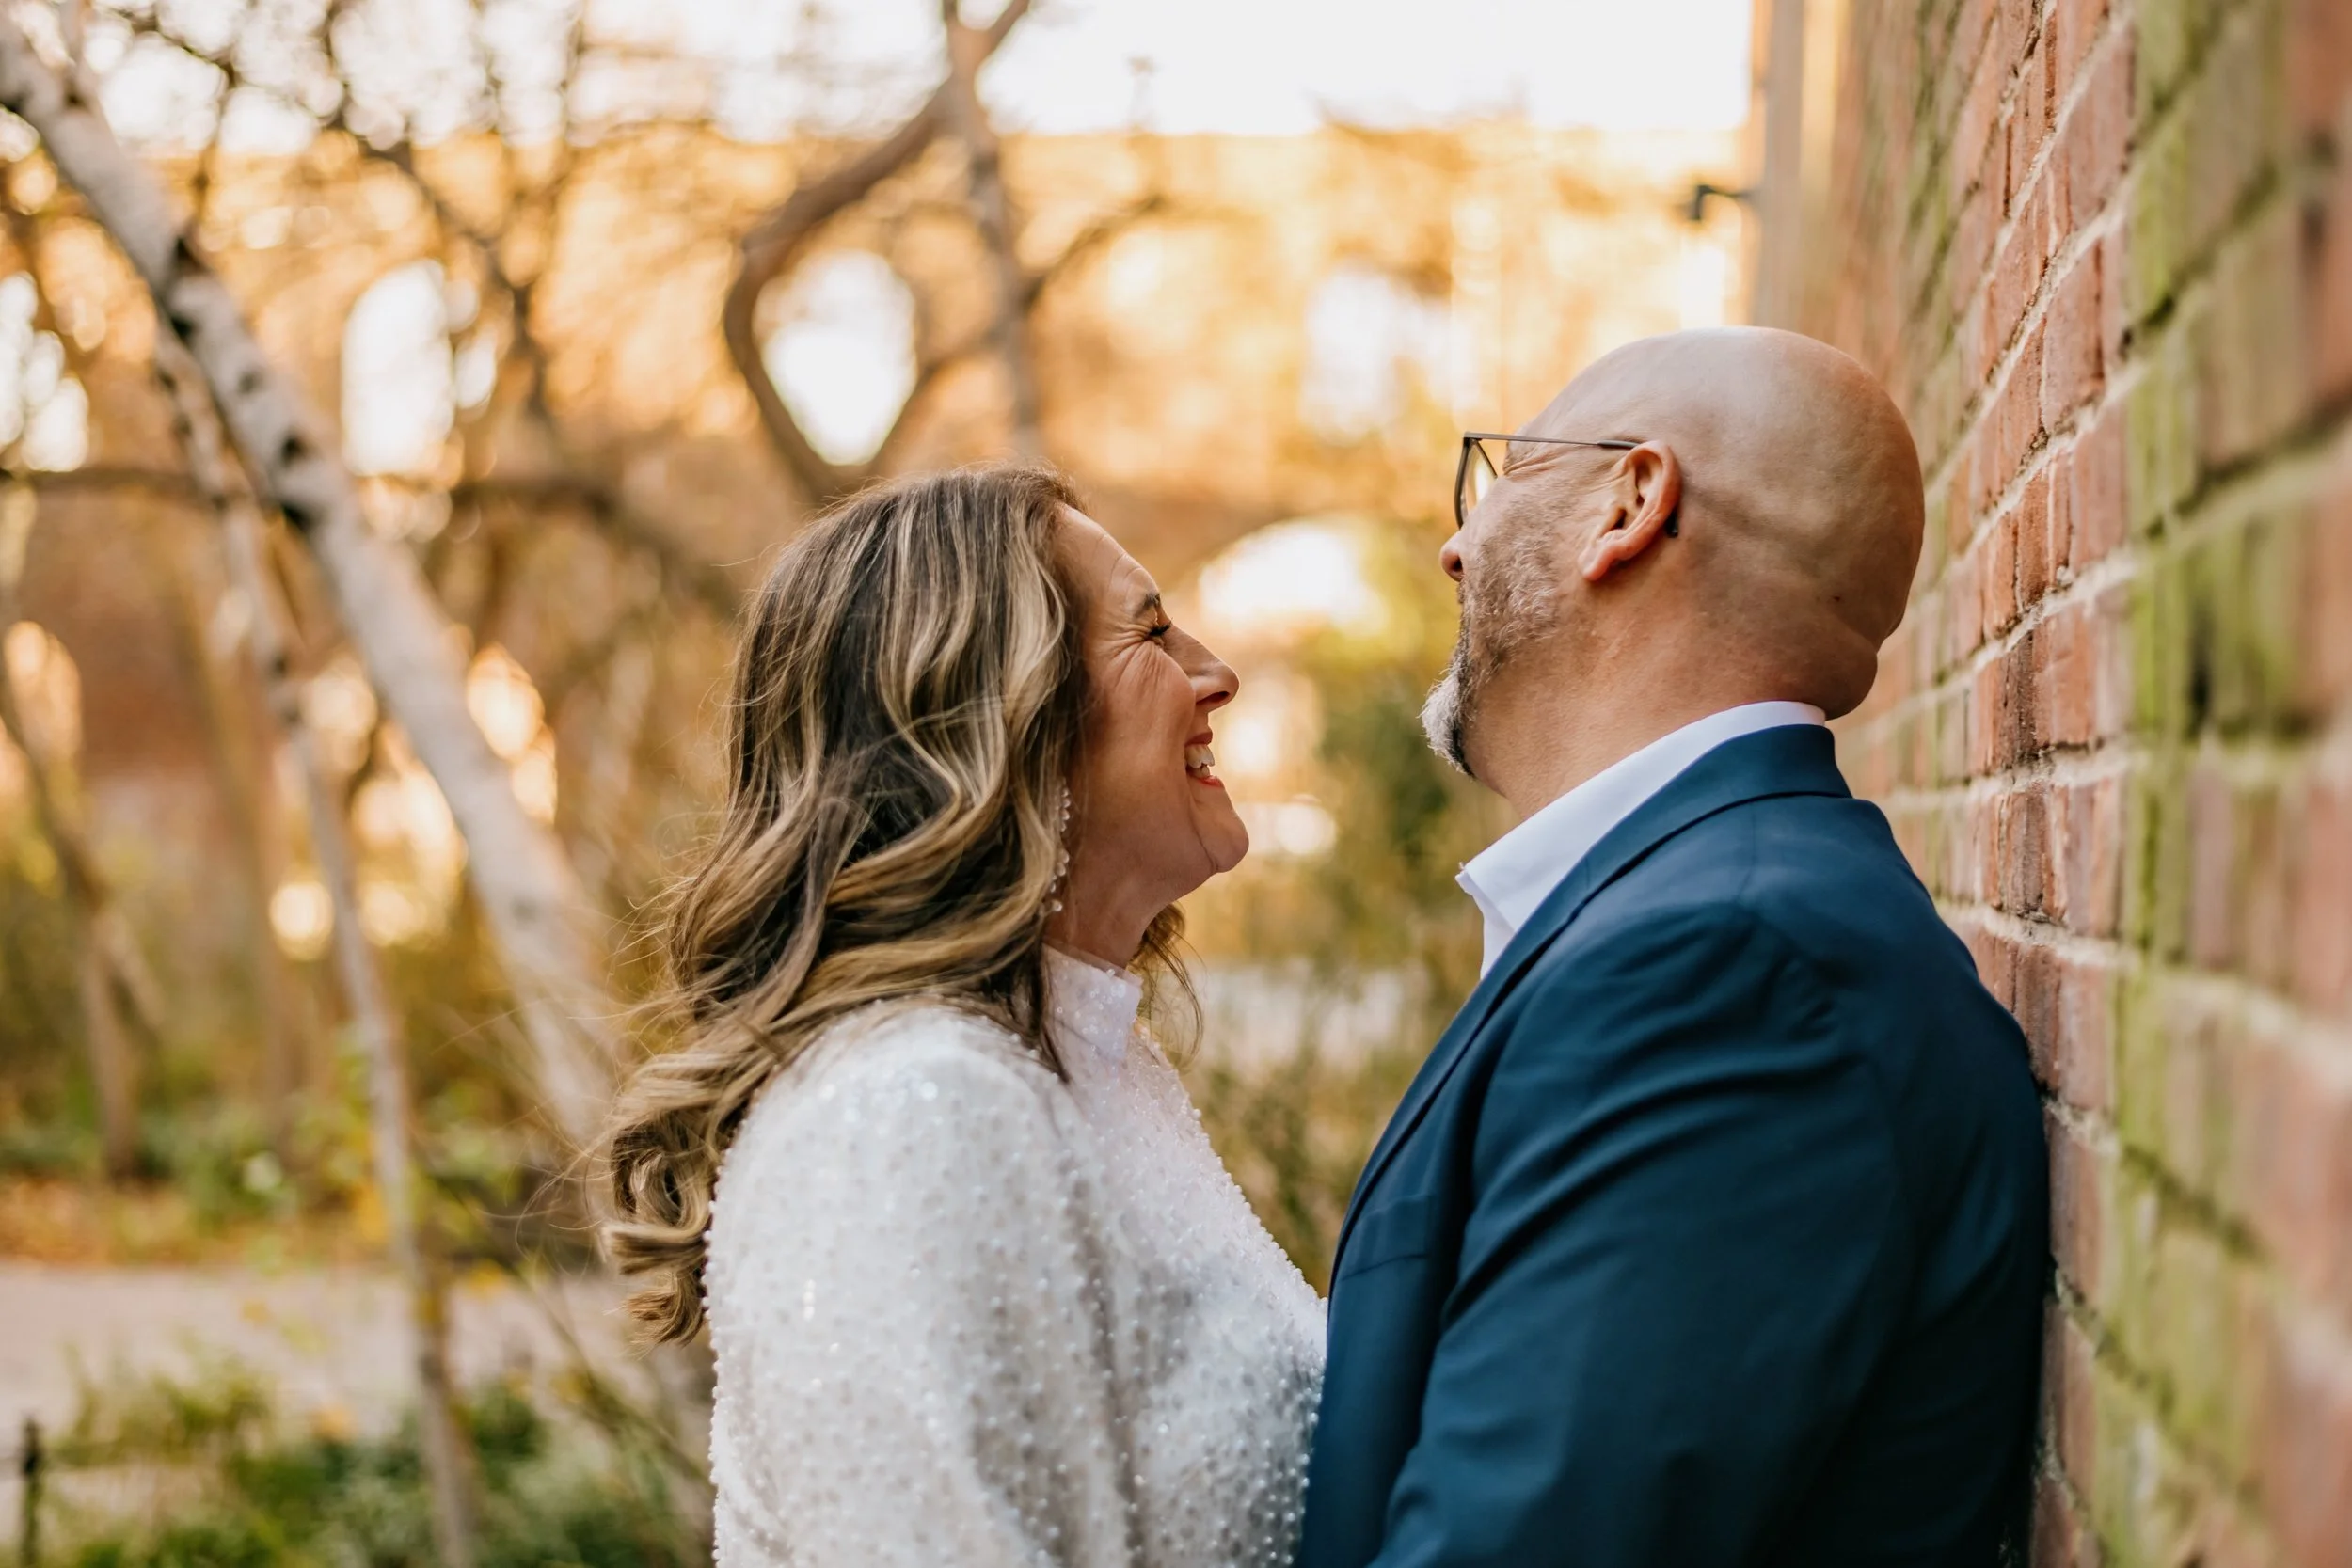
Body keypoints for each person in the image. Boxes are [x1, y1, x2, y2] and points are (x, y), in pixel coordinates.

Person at [1298, 327, 2049, 1568]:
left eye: (1500, 477)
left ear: (1631, 503)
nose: (1456, 542)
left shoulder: (1732, 968)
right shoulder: (1714, 920)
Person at [602, 468, 1323, 1568]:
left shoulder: (1101, 1070)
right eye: (1153, 630)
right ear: (998, 713)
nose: (1214, 674)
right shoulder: (902, 1110)